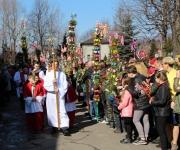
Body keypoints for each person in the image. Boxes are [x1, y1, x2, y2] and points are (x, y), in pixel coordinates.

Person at [43, 59, 70, 136]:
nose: (55, 66)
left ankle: (64, 127)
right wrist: (53, 85)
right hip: (51, 95)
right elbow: (45, 85)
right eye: (54, 64)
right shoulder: (48, 74)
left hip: (59, 94)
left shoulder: (62, 74)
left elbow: (65, 85)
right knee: (52, 111)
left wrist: (58, 89)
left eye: (57, 64)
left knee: (62, 110)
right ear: (51, 65)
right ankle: (54, 126)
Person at [127, 65, 150, 145]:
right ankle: (146, 137)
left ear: (131, 73)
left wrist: (128, 88)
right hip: (146, 101)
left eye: (128, 73)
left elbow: (136, 93)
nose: (127, 75)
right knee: (145, 120)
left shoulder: (136, 79)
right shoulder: (142, 76)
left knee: (135, 120)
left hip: (140, 103)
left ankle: (142, 138)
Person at [149, 71, 171, 150]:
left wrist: (152, 102)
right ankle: (165, 145)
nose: (155, 79)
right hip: (161, 112)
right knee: (162, 130)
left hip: (162, 112)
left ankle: (164, 147)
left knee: (161, 131)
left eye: (156, 78)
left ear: (159, 78)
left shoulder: (163, 87)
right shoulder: (162, 86)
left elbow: (162, 101)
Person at [118, 76, 134, 144]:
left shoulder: (127, 91)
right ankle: (128, 137)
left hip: (127, 111)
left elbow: (124, 102)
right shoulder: (127, 90)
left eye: (123, 82)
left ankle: (129, 138)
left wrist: (119, 107)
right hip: (127, 111)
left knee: (128, 126)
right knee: (128, 125)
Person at [171, 69, 180, 150]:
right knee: (176, 125)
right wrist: (173, 100)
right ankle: (174, 143)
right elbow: (177, 93)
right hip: (177, 107)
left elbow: (176, 88)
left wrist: (177, 78)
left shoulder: (178, 77)